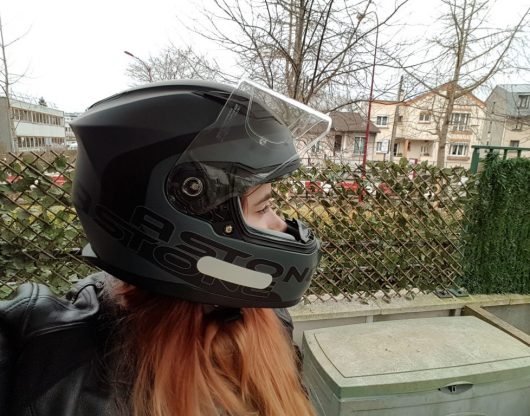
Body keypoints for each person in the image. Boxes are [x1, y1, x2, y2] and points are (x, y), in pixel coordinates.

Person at [0, 79, 331, 415]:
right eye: (263, 208)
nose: (281, 226)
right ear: (177, 214)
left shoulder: (263, 316)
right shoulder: (45, 355)